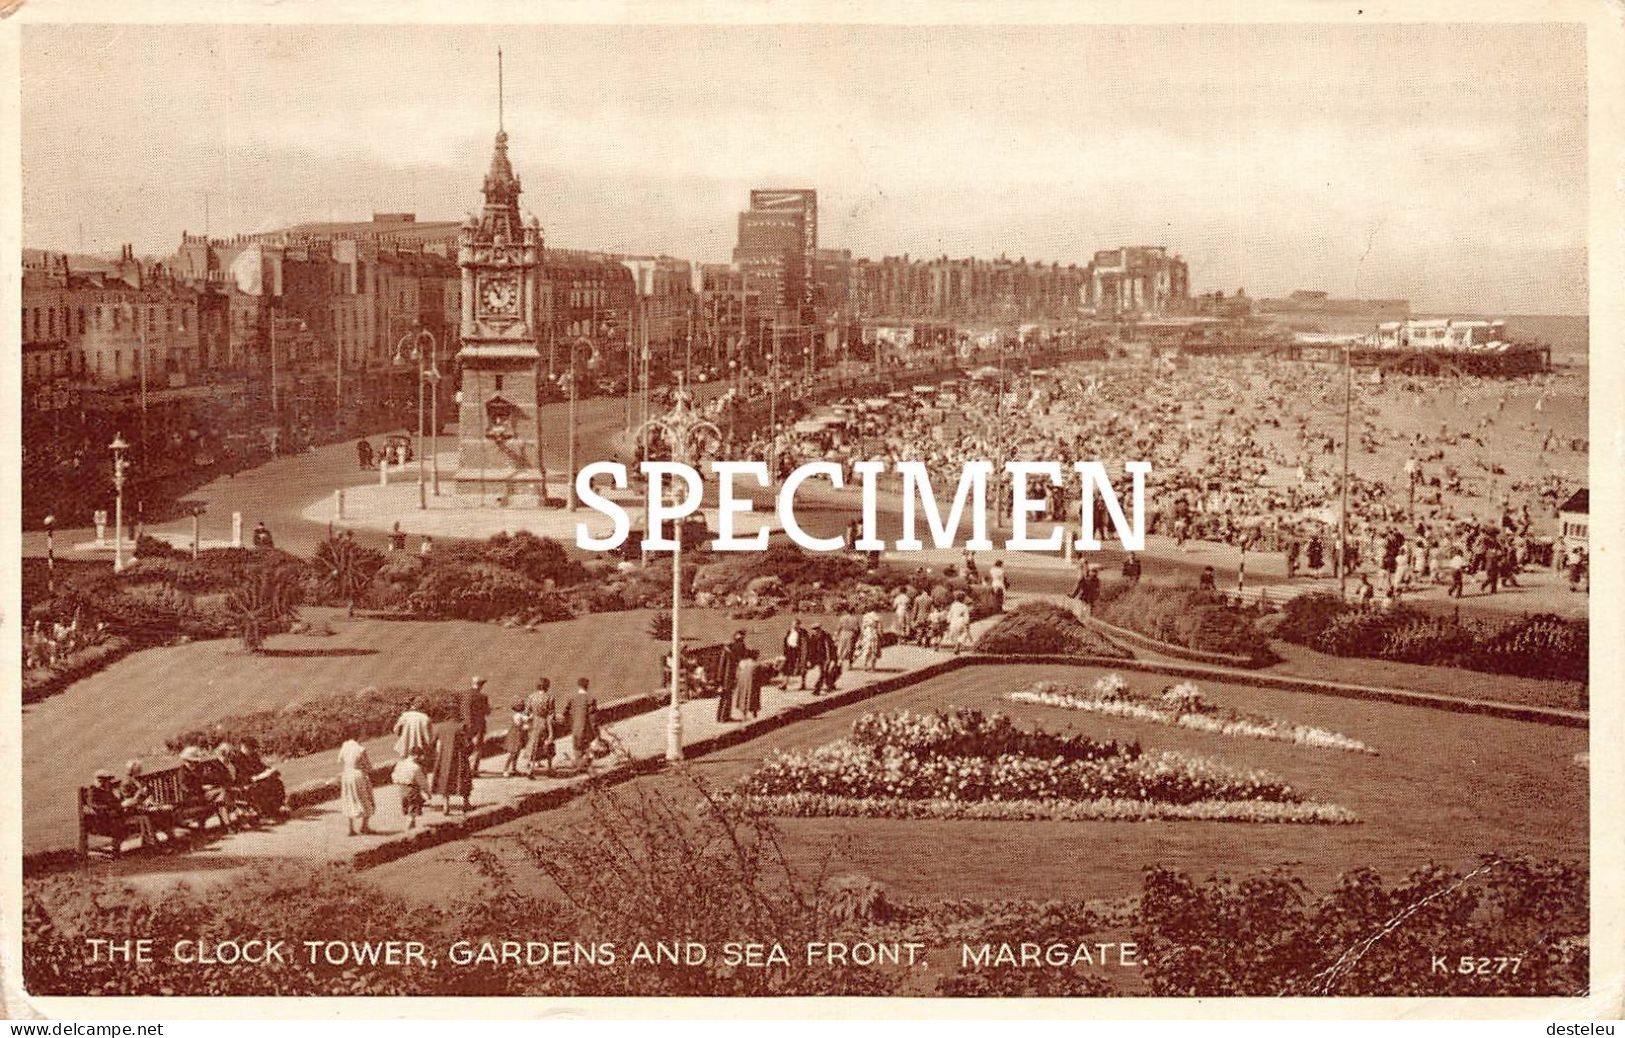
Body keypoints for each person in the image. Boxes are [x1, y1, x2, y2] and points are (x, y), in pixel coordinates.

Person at [429, 716, 473, 813]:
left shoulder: (439, 727)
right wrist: (468, 752)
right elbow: (468, 744)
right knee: (464, 778)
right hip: (459, 756)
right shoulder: (461, 726)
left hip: (443, 757)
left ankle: (446, 804)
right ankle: (465, 802)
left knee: (445, 780)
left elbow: (431, 743)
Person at [337, 735, 375, 837]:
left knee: (348, 799)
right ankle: (364, 826)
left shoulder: (344, 746)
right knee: (366, 799)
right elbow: (369, 767)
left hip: (346, 775)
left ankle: (350, 828)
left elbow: (340, 761)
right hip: (358, 776)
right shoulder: (360, 749)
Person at [458, 676, 491, 778]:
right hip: (478, 726)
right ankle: (473, 770)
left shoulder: (465, 695)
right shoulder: (483, 697)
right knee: (477, 748)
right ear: (480, 685)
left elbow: (463, 711)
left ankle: (463, 769)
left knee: (465, 747)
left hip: (465, 725)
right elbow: (487, 712)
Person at [523, 678, 557, 777]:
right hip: (544, 722)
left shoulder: (531, 697)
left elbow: (527, 712)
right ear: (547, 686)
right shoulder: (549, 698)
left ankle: (531, 769)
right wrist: (551, 731)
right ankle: (550, 768)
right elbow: (551, 714)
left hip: (534, 723)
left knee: (534, 745)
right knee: (548, 744)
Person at [391, 750, 429, 829]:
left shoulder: (400, 764)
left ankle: (412, 825)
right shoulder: (415, 767)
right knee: (413, 807)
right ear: (416, 756)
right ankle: (410, 827)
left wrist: (398, 782)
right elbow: (422, 782)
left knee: (406, 805)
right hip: (412, 788)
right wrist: (427, 792)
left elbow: (394, 775)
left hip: (402, 788)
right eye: (420, 756)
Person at [717, 633, 749, 723]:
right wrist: (720, 680)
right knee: (726, 697)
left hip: (728, 678)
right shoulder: (727, 654)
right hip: (726, 679)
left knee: (727, 697)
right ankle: (723, 717)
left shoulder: (729, 653)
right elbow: (722, 668)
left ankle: (722, 716)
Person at [568, 678, 600, 766]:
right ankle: (586, 764)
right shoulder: (591, 698)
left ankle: (579, 763)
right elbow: (593, 718)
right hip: (586, 729)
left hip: (575, 728)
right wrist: (597, 733)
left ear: (578, 685)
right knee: (590, 749)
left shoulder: (572, 698)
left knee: (577, 749)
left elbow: (565, 713)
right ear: (587, 686)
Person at [805, 623, 838, 695]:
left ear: (820, 629)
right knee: (824, 672)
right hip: (818, 658)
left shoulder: (826, 636)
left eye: (817, 629)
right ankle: (831, 685)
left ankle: (817, 688)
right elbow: (810, 649)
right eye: (813, 629)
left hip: (826, 657)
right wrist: (809, 660)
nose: (815, 631)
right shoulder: (812, 637)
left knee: (823, 672)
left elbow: (829, 648)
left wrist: (831, 659)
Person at [501, 701, 531, 778]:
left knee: (517, 752)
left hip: (517, 734)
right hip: (515, 735)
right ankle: (505, 769)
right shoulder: (518, 716)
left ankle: (513, 768)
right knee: (513, 753)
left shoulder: (519, 715)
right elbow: (522, 724)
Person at [781, 618, 807, 690]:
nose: (795, 626)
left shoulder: (803, 632)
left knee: (801, 668)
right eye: (793, 625)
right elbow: (785, 641)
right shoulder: (789, 632)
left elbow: (804, 643)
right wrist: (785, 652)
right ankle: (784, 684)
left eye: (796, 625)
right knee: (787, 667)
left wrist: (803, 653)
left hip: (799, 651)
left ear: (799, 625)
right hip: (790, 651)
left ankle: (803, 684)